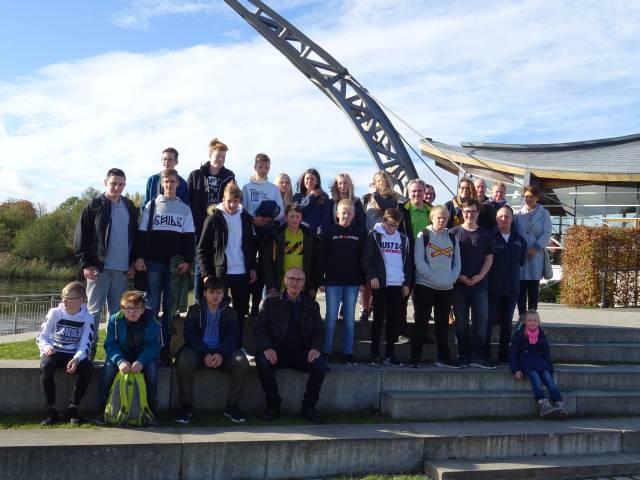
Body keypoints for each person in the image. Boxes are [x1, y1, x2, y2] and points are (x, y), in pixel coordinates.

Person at [74, 168, 139, 355]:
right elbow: (81, 236)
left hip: (121, 270)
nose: (117, 187)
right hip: (98, 269)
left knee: (118, 314)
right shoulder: (94, 205)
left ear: (124, 185)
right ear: (105, 183)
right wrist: (86, 263)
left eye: (120, 184)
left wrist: (132, 262)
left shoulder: (129, 207)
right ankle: (89, 348)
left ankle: (114, 351)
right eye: (113, 183)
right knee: (93, 312)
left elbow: (134, 237)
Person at [135, 169, 194, 363]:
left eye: (173, 181)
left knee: (170, 307)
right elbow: (142, 236)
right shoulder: (151, 206)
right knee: (151, 305)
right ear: (162, 183)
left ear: (178, 184)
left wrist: (187, 261)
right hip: (153, 264)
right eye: (166, 181)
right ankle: (149, 346)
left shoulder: (185, 209)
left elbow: (188, 239)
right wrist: (140, 257)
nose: (169, 184)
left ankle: (165, 348)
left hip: (175, 267)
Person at [254, 267, 327, 423]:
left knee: (320, 365)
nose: (295, 282)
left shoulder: (312, 305)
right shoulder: (270, 301)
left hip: (301, 353)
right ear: (285, 280)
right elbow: (260, 329)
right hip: (276, 351)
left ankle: (308, 407)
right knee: (263, 363)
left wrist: (315, 348)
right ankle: (273, 405)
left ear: (304, 284)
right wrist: (267, 347)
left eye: (299, 280)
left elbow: (319, 332)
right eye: (291, 278)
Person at [174, 277, 250, 424]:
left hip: (224, 352)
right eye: (211, 292)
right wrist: (205, 354)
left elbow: (233, 338)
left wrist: (221, 354)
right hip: (198, 351)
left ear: (224, 294)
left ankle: (232, 406)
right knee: (183, 361)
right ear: (205, 293)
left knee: (242, 363)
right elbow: (189, 335)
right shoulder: (195, 310)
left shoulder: (230, 312)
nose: (215, 296)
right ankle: (186, 405)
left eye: (219, 292)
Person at [197, 182, 256, 345]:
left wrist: (252, 267)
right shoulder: (213, 218)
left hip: (241, 272)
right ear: (223, 199)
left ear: (240, 201)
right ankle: (215, 343)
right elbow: (202, 249)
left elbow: (250, 244)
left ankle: (237, 346)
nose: (232, 205)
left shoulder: (245, 218)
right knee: (217, 310)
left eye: (235, 201)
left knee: (240, 311)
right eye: (229, 201)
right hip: (220, 273)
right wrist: (206, 275)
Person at [97, 291, 161, 424]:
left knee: (152, 370)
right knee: (108, 368)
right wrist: (120, 361)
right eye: (128, 308)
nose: (132, 312)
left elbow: (154, 346)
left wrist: (141, 361)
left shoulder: (152, 321)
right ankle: (102, 409)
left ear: (142, 310)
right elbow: (110, 344)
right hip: (121, 355)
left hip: (143, 357)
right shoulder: (114, 320)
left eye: (136, 309)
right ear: (122, 308)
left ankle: (151, 409)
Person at [361, 208, 413, 367]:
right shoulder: (374, 236)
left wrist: (406, 283)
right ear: (384, 221)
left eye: (395, 225)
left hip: (397, 285)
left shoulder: (403, 239)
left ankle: (390, 354)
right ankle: (374, 353)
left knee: (393, 321)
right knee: (377, 320)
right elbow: (366, 260)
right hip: (380, 284)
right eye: (389, 224)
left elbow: (408, 264)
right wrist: (373, 276)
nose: (392, 228)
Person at [37, 282, 94, 425]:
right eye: (63, 297)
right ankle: (51, 409)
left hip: (73, 353)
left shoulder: (87, 318)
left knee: (87, 368)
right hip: (55, 350)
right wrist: (46, 347)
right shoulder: (55, 313)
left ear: (81, 300)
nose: (63, 301)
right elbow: (42, 336)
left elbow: (86, 344)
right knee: (46, 366)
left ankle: (73, 408)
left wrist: (77, 358)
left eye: (69, 298)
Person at [411, 205, 461, 368]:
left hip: (446, 288)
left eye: (445, 218)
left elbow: (457, 263)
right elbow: (419, 262)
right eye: (439, 217)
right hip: (425, 286)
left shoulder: (452, 237)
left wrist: (450, 279)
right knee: (421, 323)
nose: (442, 220)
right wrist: (435, 278)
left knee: (443, 325)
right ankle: (415, 358)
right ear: (431, 218)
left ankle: (444, 357)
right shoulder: (423, 235)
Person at [188, 138, 236, 302]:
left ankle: (219, 306)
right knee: (201, 266)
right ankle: (198, 305)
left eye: (223, 156)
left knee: (219, 267)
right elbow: (188, 202)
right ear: (210, 155)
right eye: (217, 156)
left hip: (220, 228)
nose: (220, 159)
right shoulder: (196, 175)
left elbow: (233, 200)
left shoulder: (229, 176)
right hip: (200, 227)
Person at [450, 199, 494, 369]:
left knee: (481, 320)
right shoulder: (453, 233)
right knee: (461, 321)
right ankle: (463, 355)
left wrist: (480, 276)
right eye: (466, 211)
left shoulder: (485, 234)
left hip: (480, 285)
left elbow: (489, 258)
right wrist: (459, 276)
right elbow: (449, 259)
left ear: (478, 213)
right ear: (462, 212)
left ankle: (479, 356)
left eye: (473, 211)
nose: (469, 214)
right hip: (458, 285)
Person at [321, 199, 366, 365]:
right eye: (343, 213)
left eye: (349, 213)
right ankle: (326, 351)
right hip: (332, 281)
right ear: (337, 214)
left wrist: (362, 280)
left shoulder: (359, 233)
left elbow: (363, 258)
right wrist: (321, 280)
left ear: (354, 215)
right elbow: (322, 257)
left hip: (352, 283)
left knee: (349, 319)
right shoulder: (329, 232)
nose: (346, 216)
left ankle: (348, 352)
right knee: (331, 317)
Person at [241, 153, 284, 317]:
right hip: (251, 234)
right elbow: (242, 210)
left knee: (265, 269)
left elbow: (280, 211)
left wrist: (268, 220)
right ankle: (247, 305)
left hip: (267, 235)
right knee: (250, 269)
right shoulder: (247, 188)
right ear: (255, 167)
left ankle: (259, 306)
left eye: (266, 167)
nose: (263, 170)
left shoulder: (273, 189)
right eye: (260, 167)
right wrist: (254, 220)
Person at [359, 171, 402, 322]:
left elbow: (387, 210)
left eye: (383, 181)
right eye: (377, 181)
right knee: (367, 278)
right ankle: (364, 308)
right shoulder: (368, 198)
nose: (380, 184)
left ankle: (376, 308)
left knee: (380, 275)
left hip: (383, 242)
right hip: (368, 239)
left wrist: (375, 195)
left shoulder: (392, 198)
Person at [486, 205, 527, 363]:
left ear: (512, 219)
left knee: (506, 323)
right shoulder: (489, 237)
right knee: (488, 321)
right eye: (500, 216)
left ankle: (504, 354)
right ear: (496, 219)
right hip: (492, 288)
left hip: (511, 288)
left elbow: (521, 261)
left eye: (507, 216)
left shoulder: (519, 240)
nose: (503, 219)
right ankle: (485, 353)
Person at [510, 310, 568, 419]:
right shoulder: (519, 334)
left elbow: (546, 353)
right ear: (524, 322)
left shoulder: (541, 334)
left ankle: (559, 403)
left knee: (550, 381)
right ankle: (543, 405)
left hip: (540, 362)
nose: (532, 322)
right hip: (526, 362)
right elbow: (513, 354)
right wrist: (516, 369)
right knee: (536, 380)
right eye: (529, 320)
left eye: (535, 320)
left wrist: (549, 368)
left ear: (539, 321)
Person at [398, 179, 433, 340]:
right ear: (408, 192)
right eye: (413, 191)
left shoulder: (431, 211)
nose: (416, 194)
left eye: (419, 191)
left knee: (423, 300)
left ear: (424, 192)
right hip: (406, 258)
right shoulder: (401, 209)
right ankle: (401, 332)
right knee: (402, 297)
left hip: (427, 259)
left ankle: (422, 333)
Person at [263, 203, 320, 299]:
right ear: (286, 217)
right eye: (292, 216)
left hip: (302, 288)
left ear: (301, 217)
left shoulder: (310, 237)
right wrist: (271, 285)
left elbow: (315, 264)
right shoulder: (275, 237)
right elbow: (267, 263)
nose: (295, 220)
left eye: (298, 217)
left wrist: (313, 287)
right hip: (280, 287)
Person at [515, 185, 552, 315]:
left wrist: (535, 247)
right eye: (526, 196)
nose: (528, 199)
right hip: (522, 256)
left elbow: (547, 233)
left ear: (537, 197)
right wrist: (522, 249)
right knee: (520, 289)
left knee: (533, 289)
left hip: (536, 255)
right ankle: (521, 317)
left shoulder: (544, 214)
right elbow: (515, 234)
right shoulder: (518, 214)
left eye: (531, 196)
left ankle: (532, 319)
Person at [292, 168, 332, 235]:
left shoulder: (323, 197)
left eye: (312, 179)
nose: (309, 181)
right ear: (303, 180)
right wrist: (310, 197)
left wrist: (320, 232)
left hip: (316, 235)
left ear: (317, 181)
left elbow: (326, 217)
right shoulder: (297, 196)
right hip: (299, 233)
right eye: (307, 178)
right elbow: (296, 211)